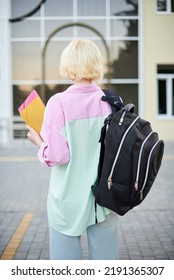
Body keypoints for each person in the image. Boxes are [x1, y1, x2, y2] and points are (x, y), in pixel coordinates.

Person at [27, 38, 119, 260]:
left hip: (67, 197)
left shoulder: (58, 103)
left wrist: (38, 142)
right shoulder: (112, 100)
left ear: (68, 64)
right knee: (106, 266)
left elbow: (58, 156)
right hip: (104, 198)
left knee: (66, 268)